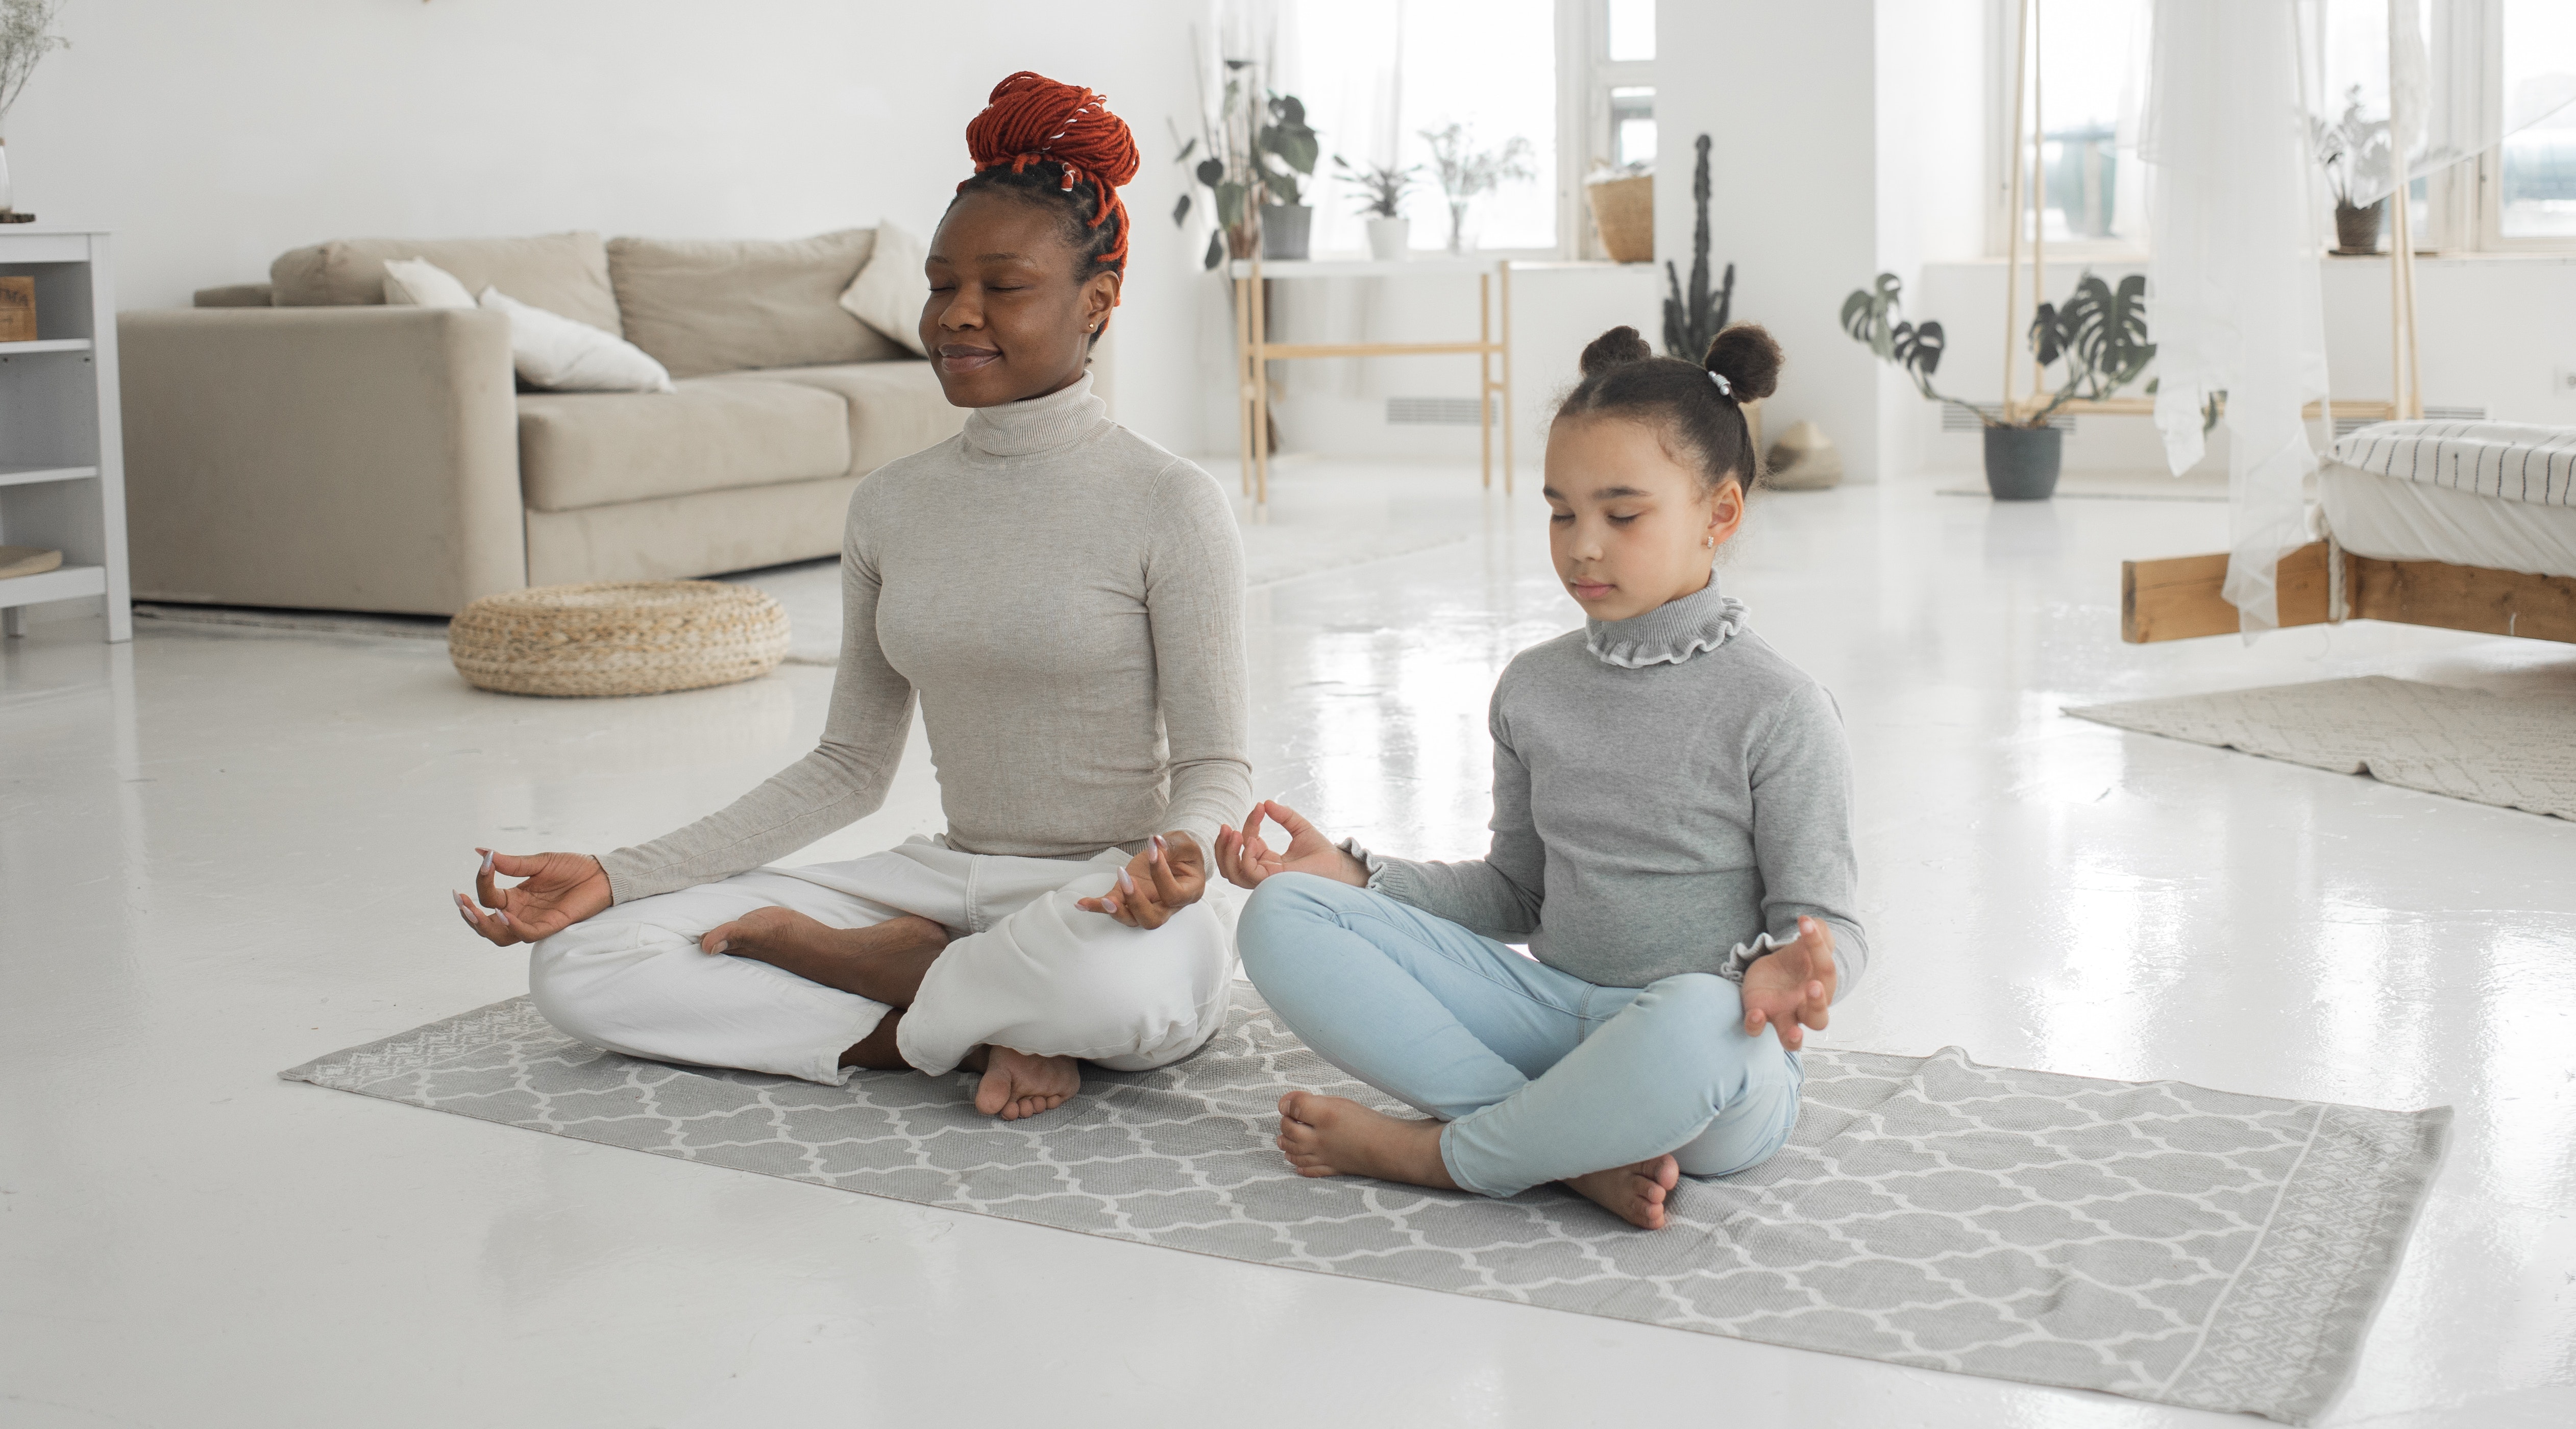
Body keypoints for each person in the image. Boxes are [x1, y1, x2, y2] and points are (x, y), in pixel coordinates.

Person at [455, 71, 1246, 1122]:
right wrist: (619, 874)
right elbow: (846, 770)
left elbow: (1213, 766)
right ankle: (951, 1020)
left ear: (1095, 303)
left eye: (1002, 287)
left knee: (1119, 992)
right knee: (584, 968)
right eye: (940, 284)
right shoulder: (892, 506)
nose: (957, 315)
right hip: (940, 882)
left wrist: (1177, 860)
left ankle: (916, 987)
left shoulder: (1172, 502)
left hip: (1102, 889)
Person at [1214, 323, 1863, 1229]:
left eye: (1622, 514)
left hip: (1709, 1070)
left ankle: (1441, 1156)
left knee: (1694, 1021)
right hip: (1550, 1024)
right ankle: (1565, 1151)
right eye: (1562, 512)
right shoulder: (1534, 687)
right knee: (1282, 916)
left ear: (1720, 514)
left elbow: (1830, 925)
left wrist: (1789, 970)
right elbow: (1515, 894)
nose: (1582, 546)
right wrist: (1356, 875)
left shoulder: (1781, 707)